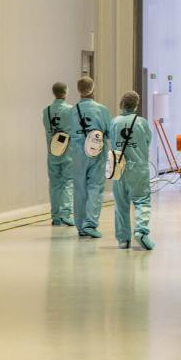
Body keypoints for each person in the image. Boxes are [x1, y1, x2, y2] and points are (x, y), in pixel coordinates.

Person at [108, 91, 154, 250]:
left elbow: (113, 143)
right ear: (136, 105)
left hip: (119, 169)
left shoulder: (114, 122)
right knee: (142, 201)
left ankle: (123, 239)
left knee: (121, 205)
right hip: (138, 169)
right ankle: (141, 231)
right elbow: (147, 141)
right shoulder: (141, 122)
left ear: (122, 104)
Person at [71, 75, 112, 238]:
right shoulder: (102, 110)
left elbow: (66, 133)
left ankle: (80, 225)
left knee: (79, 188)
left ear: (78, 90)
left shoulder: (72, 110)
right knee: (95, 187)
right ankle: (90, 224)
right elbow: (109, 132)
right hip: (97, 151)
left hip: (77, 153)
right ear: (93, 88)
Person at [42, 82, 75, 226]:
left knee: (54, 183)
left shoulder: (46, 111)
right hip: (68, 152)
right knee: (68, 182)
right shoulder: (71, 110)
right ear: (66, 92)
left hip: (52, 152)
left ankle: (55, 215)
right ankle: (66, 213)